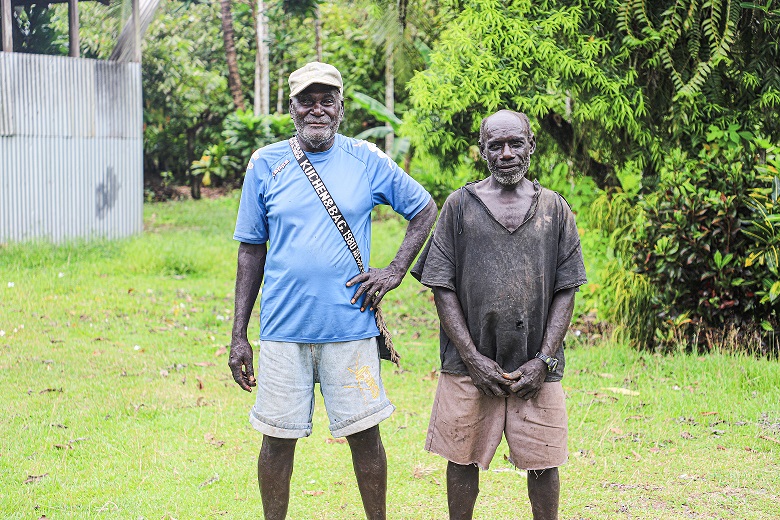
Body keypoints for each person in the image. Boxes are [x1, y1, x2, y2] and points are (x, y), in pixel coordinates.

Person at [228, 61, 436, 520]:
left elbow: (423, 207)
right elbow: (250, 251)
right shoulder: (265, 164)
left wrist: (396, 270)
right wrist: (239, 334)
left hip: (351, 325)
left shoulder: (365, 158)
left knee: (365, 438)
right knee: (277, 442)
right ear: (292, 107)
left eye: (327, 100)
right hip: (284, 330)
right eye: (307, 101)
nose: (316, 110)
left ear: (341, 107)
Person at [411, 109, 587, 520]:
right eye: (496, 145)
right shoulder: (459, 206)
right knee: (461, 457)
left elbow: (567, 289)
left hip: (537, 367)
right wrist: (472, 358)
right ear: (482, 151)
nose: (506, 153)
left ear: (531, 146)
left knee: (544, 463)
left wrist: (543, 360)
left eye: (515, 143)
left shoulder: (554, 209)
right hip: (466, 365)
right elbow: (441, 285)